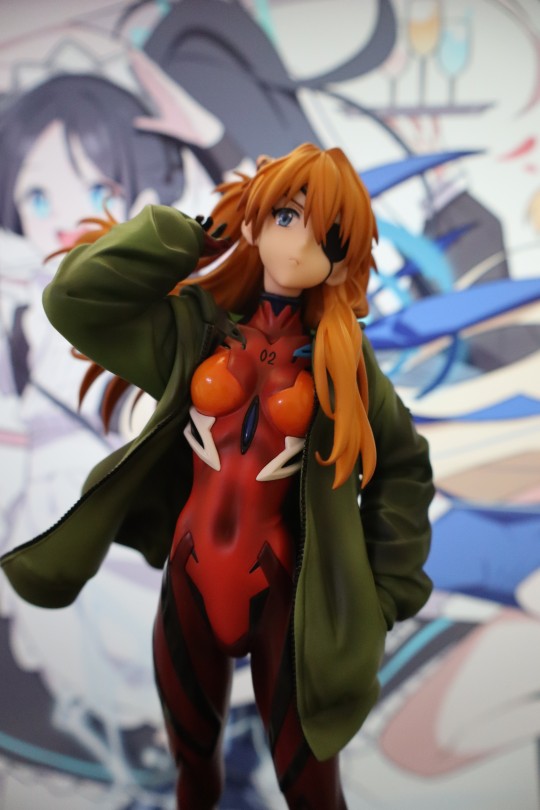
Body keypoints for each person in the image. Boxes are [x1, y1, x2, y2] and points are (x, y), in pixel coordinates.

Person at [0, 143, 434, 809]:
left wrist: (385, 593)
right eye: (287, 216)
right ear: (254, 222)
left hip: (284, 596)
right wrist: (185, 237)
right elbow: (74, 299)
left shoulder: (341, 364)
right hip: (191, 577)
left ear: (341, 261)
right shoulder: (197, 332)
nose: (300, 245)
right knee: (193, 776)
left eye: (328, 237)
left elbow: (403, 465)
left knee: (312, 790)